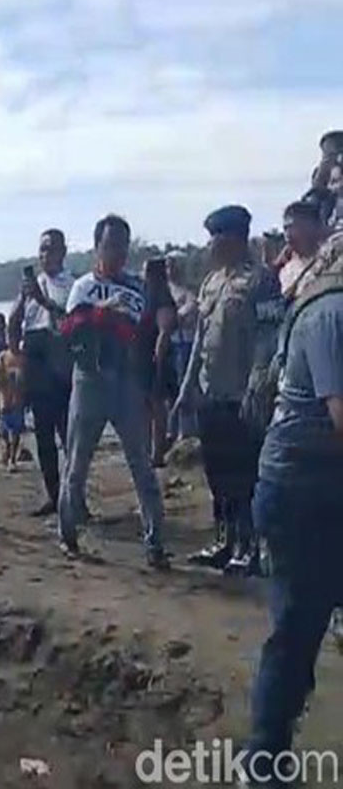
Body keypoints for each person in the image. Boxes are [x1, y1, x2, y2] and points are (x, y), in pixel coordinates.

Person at [243, 256, 343, 782]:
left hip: (325, 488)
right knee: (296, 631)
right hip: (300, 495)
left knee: (301, 628)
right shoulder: (331, 315)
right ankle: (263, 759)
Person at [173, 206, 283, 575]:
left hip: (242, 394)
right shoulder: (211, 282)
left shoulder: (262, 281)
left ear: (234, 238)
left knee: (244, 474)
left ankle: (248, 546)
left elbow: (268, 337)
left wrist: (257, 383)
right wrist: (187, 387)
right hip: (210, 391)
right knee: (217, 471)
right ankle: (224, 540)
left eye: (216, 237)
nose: (211, 244)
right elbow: (200, 340)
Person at [58, 214, 169, 569]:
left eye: (122, 246)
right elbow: (69, 330)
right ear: (97, 248)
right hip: (88, 379)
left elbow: (140, 330)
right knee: (76, 464)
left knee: (141, 464)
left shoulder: (137, 287)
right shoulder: (82, 287)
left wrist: (101, 318)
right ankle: (68, 534)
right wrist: (100, 315)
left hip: (124, 381)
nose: (117, 254)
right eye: (110, 246)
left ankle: (155, 543)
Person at [9, 229, 75, 517]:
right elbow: (14, 324)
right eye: (41, 250)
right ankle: (53, 494)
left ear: (62, 252)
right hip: (35, 359)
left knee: (69, 435)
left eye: (50, 249)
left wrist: (43, 300)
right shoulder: (31, 286)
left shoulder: (72, 285)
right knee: (43, 434)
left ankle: (74, 496)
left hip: (59, 362)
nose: (45, 256)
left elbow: (70, 322)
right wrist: (25, 300)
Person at [141, 258, 177, 467]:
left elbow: (164, 329)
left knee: (156, 404)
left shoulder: (160, 294)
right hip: (144, 355)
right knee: (147, 405)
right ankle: (148, 450)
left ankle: (157, 452)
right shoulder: (147, 292)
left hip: (156, 355)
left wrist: (158, 355)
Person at [167, 256, 199, 442]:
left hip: (183, 343)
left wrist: (176, 317)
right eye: (168, 266)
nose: (171, 269)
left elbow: (189, 310)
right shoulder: (162, 290)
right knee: (167, 390)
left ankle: (185, 429)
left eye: (174, 265)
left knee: (184, 386)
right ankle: (170, 428)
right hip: (166, 344)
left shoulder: (187, 291)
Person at [279, 199, 328, 301]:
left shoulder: (331, 260)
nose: (288, 234)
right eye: (285, 228)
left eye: (293, 227)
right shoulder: (286, 270)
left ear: (312, 227)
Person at [0, 320, 27, 471]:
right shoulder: (3, 357)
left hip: (19, 399)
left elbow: (27, 378)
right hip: (6, 398)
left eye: (15, 338)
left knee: (16, 430)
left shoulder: (23, 357)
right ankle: (7, 448)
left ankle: (13, 458)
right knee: (3, 429)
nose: (12, 341)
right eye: (10, 338)